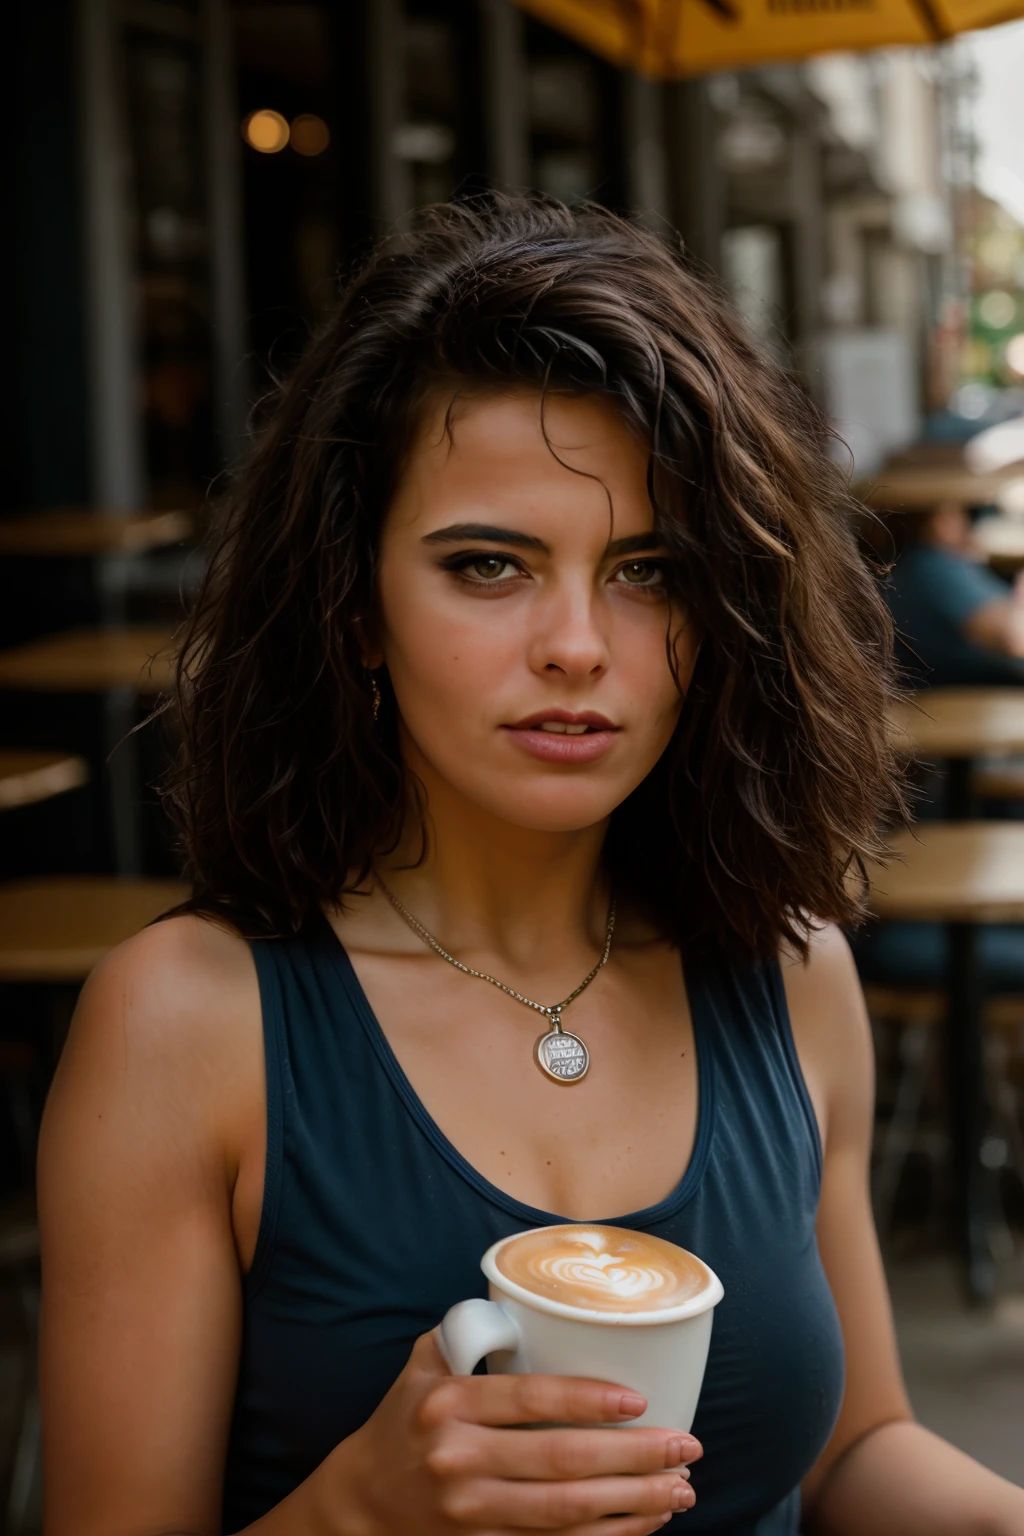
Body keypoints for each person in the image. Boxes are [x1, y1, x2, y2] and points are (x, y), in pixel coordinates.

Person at [38, 197, 1024, 1536]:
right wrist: (363, 1511)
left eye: (648, 571)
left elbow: (855, 1454)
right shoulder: (189, 1026)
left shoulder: (791, 978)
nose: (576, 644)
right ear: (356, 610)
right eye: (489, 566)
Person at [885, 499, 1024, 686]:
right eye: (953, 513)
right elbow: (1013, 638)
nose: (964, 521)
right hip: (985, 691)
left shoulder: (925, 566)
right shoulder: (934, 567)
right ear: (935, 521)